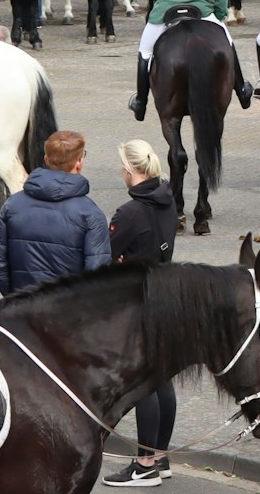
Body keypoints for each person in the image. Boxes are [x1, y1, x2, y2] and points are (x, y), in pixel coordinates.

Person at [101, 139, 180, 487]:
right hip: (165, 295)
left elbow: (106, 256)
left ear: (130, 170)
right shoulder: (167, 199)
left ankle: (145, 463)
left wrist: (118, 261)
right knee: (162, 379)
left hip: (137, 300)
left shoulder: (128, 213)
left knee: (142, 383)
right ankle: (161, 456)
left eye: (122, 167)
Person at [0, 130, 109, 294]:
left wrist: (15, 297)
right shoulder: (91, 214)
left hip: (22, 307)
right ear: (79, 163)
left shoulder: (12, 205)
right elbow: (97, 273)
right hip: (67, 309)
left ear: (46, 159)